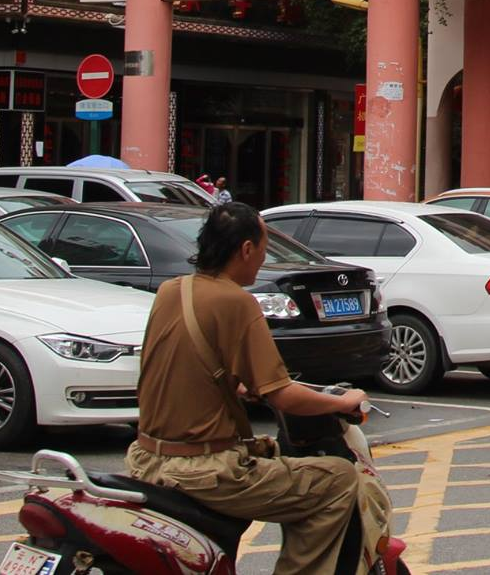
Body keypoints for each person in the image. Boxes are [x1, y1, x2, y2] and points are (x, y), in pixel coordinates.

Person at [126, 203, 371, 575]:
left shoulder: (171, 290)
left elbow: (182, 362)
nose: (262, 258)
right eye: (263, 248)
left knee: (270, 451)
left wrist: (234, 386)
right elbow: (283, 395)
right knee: (337, 479)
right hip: (203, 471)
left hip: (146, 459)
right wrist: (344, 401)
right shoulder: (237, 301)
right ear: (246, 249)